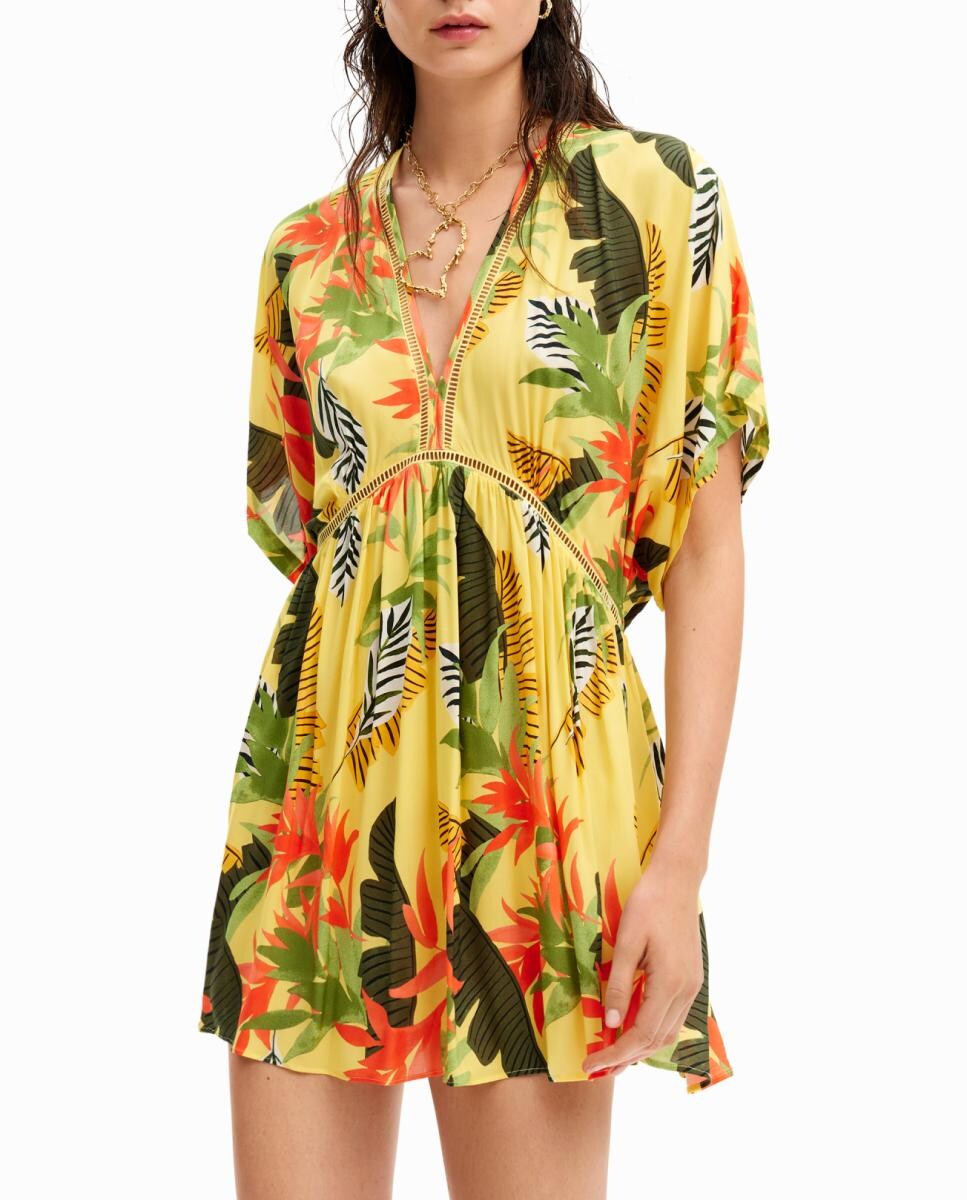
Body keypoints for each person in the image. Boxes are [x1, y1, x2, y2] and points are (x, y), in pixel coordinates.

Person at [197, 2, 770, 1195]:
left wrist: (679, 865)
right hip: (324, 811)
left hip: (542, 807)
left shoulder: (654, 199)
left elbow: (706, 554)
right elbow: (314, 548)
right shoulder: (305, 252)